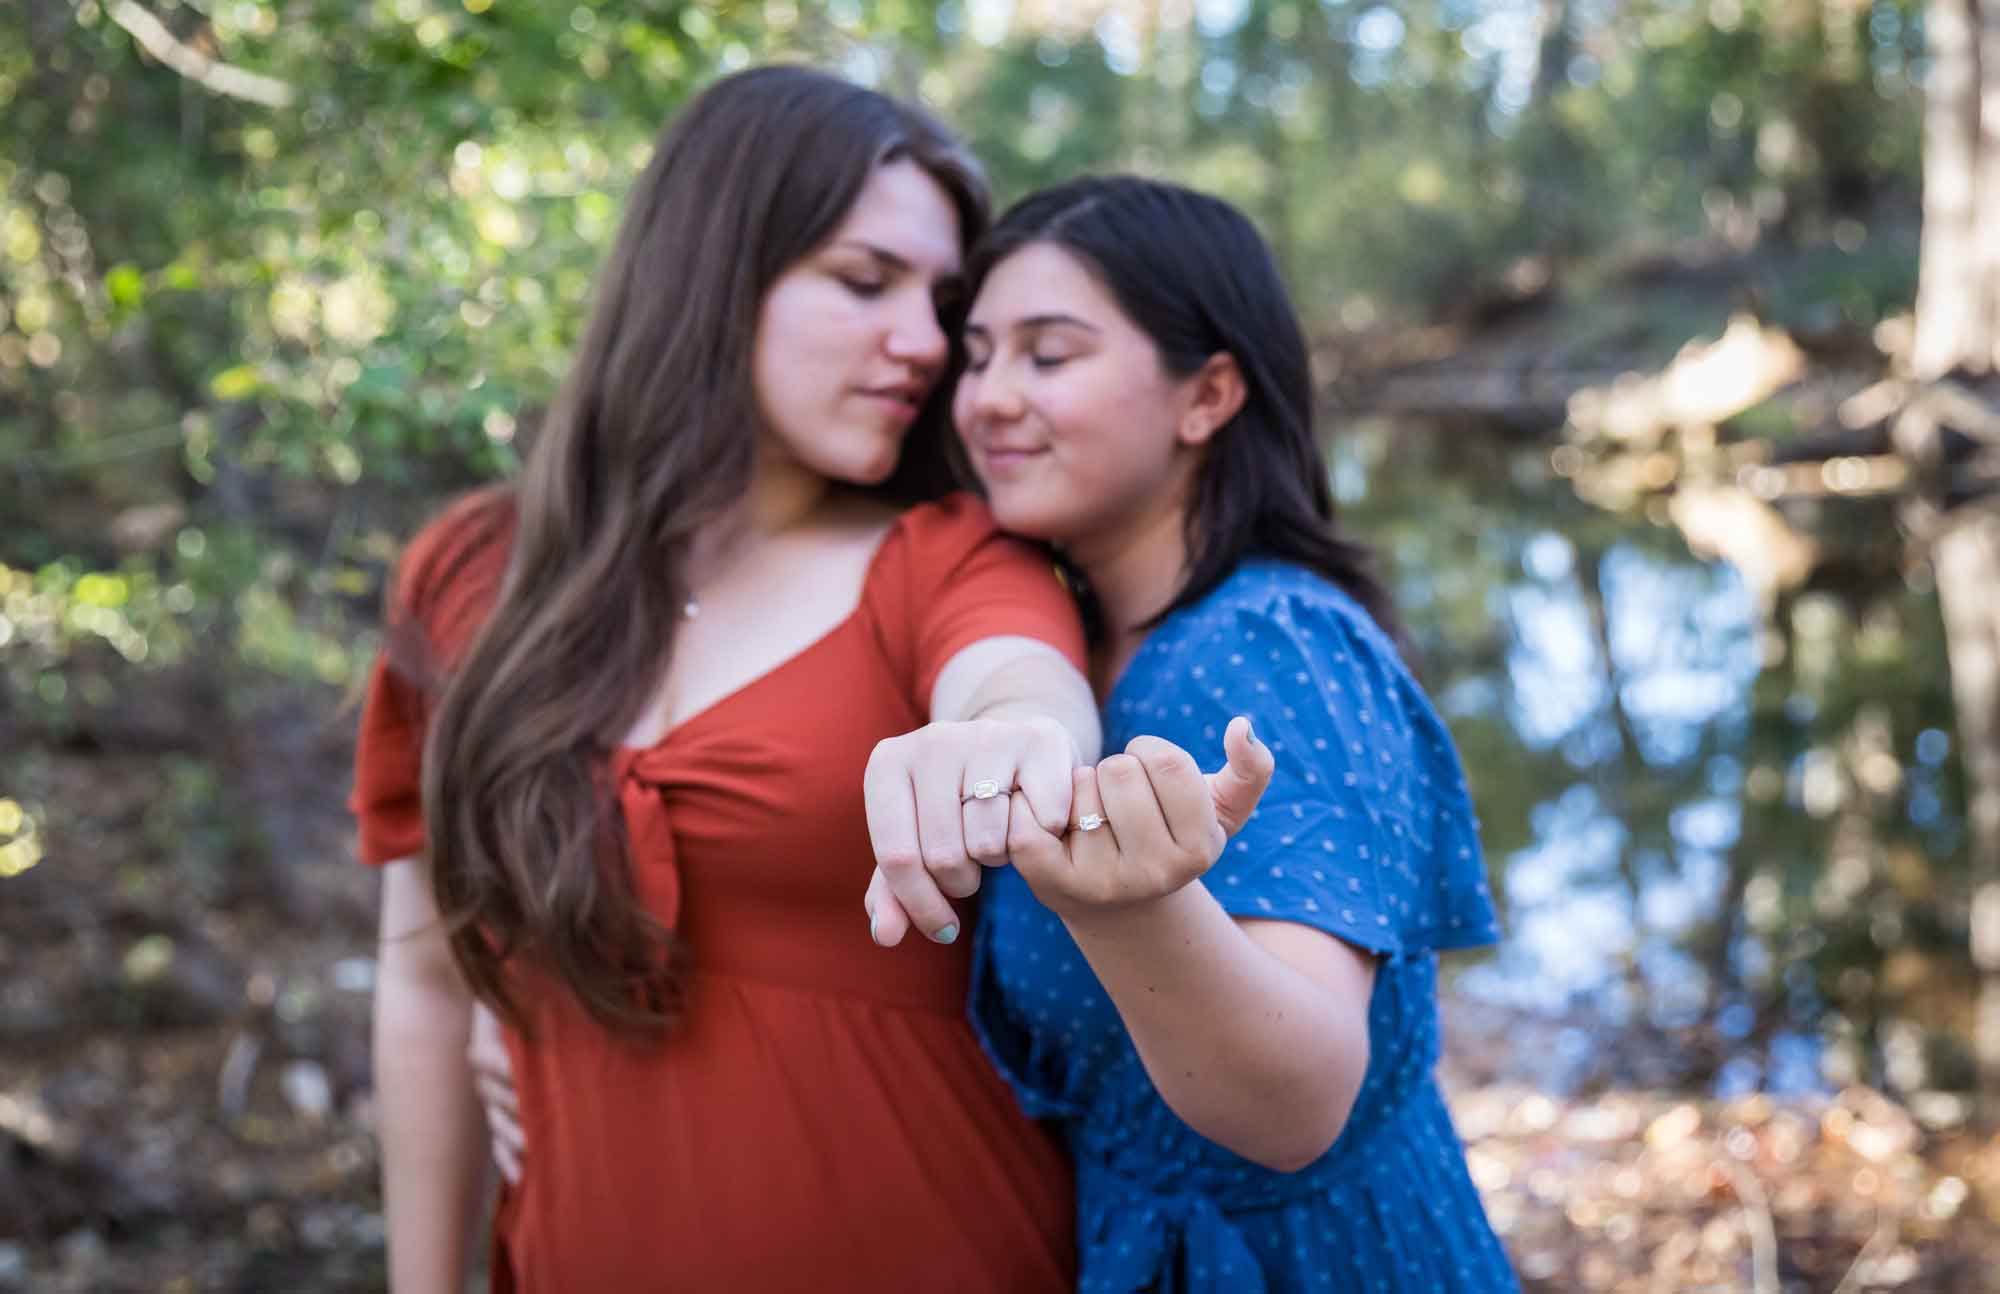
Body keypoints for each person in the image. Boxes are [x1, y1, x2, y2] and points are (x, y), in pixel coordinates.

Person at [349, 66, 1108, 1293]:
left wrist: (1006, 741)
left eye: (941, 301)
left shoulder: (944, 556)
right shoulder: (468, 576)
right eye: (864, 283)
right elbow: (425, 981)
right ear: (710, 271)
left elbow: (1020, 692)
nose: (922, 344)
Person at [879, 175, 1520, 1292]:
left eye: (1048, 353)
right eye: (976, 355)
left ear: (1207, 394)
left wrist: (1128, 905)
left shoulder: (1272, 645)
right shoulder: (1082, 648)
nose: (983, 398)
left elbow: (1297, 1101)